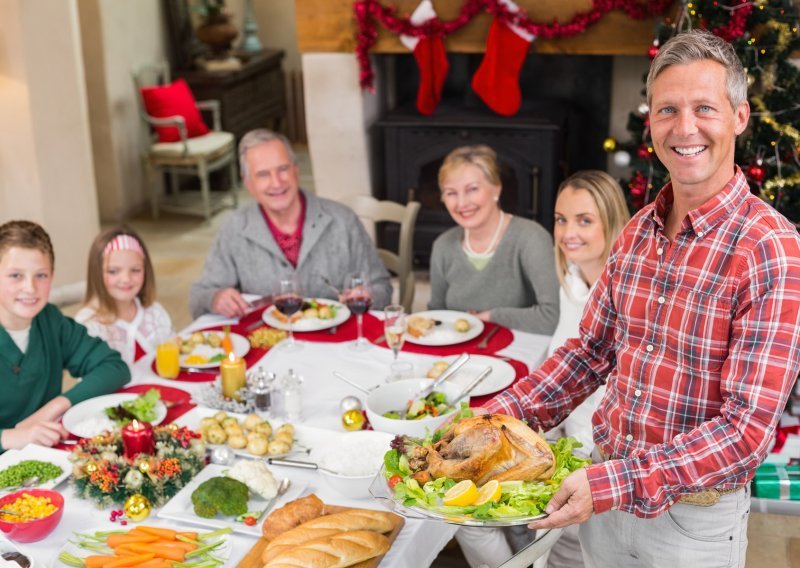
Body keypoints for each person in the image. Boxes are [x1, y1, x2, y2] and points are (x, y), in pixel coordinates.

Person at [479, 29, 800, 567]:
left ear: (740, 117)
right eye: (668, 109)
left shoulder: (771, 248)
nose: (685, 127)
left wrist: (612, 483)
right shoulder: (638, 230)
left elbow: (746, 430)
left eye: (705, 108)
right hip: (604, 499)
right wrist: (494, 418)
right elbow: (590, 351)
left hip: (689, 521)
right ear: (651, 121)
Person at [189, 129, 392, 319]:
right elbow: (199, 296)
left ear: (296, 170)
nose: (276, 183)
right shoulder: (234, 229)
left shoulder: (343, 220)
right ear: (248, 183)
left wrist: (369, 295)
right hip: (269, 347)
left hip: (337, 344)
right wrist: (215, 298)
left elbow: (382, 287)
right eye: (263, 175)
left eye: (283, 169)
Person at [545, 171, 629, 568]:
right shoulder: (572, 280)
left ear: (611, 222)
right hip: (564, 436)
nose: (568, 232)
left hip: (601, 458)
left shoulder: (626, 294)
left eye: (584, 220)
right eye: (561, 219)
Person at [0, 220, 130, 452]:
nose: (30, 288)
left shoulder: (50, 321)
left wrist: (53, 408)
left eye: (41, 275)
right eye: (16, 276)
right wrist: (10, 437)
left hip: (45, 457)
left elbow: (114, 367)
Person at [428, 144, 559, 334]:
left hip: (522, 355)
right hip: (459, 357)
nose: (462, 203)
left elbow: (553, 317)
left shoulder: (531, 238)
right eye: (451, 193)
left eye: (472, 189)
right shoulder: (442, 246)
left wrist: (489, 317)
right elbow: (436, 316)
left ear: (496, 189)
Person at [75, 226, 172, 367]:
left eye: (135, 270)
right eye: (113, 271)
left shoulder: (155, 312)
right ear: (96, 273)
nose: (126, 279)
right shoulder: (88, 326)